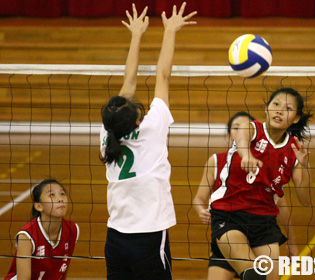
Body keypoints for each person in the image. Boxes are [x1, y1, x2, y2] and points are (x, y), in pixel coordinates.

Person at [99, 3, 196, 279]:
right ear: (137, 120)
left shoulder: (107, 135)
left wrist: (136, 35)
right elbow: (162, 75)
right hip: (149, 238)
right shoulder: (152, 129)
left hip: (115, 237)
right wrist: (170, 31)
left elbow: (127, 84)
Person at [209, 88, 313, 280]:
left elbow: (305, 199)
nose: (280, 110)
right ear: (266, 109)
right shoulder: (252, 128)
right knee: (254, 276)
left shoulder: (293, 150)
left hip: (264, 221)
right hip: (230, 214)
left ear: (296, 118)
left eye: (288, 108)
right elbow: (241, 137)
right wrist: (246, 155)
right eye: (276, 104)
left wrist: (304, 166)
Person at [193, 111, 299, 280]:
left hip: (260, 232)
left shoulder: (266, 165)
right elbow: (199, 198)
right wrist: (200, 210)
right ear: (229, 135)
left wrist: (292, 242)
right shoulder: (216, 161)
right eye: (236, 128)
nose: (241, 131)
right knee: (252, 274)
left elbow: (282, 205)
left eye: (246, 127)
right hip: (230, 233)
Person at [5, 179, 79, 280]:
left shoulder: (72, 230)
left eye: (62, 194)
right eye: (52, 195)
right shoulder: (27, 236)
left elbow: (61, 272)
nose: (60, 199)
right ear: (39, 206)